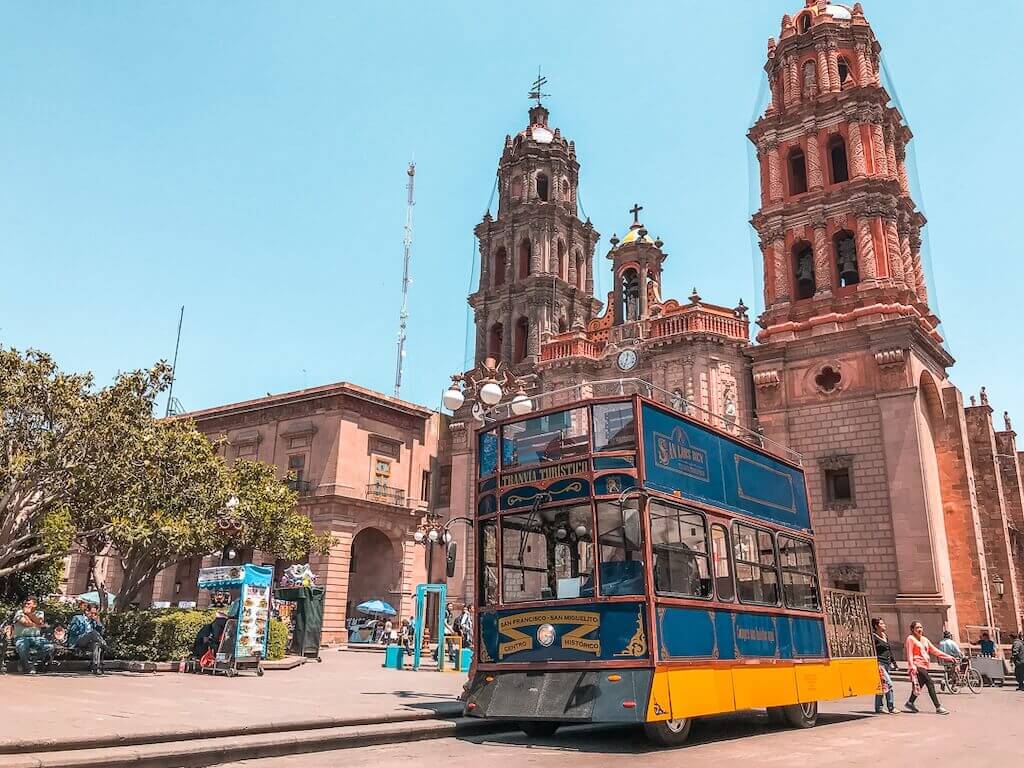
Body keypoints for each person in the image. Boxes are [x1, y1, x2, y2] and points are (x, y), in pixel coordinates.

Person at [904, 621, 954, 714]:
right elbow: (909, 653)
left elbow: (934, 650)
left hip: (924, 665)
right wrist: (911, 666)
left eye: (921, 627)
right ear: (912, 630)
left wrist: (948, 657)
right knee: (930, 682)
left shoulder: (925, 639)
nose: (919, 629)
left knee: (920, 685)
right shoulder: (910, 639)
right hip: (917, 665)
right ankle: (938, 707)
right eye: (917, 628)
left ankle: (910, 702)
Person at [12, 597, 53, 675]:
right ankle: (29, 666)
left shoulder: (40, 613)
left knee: (49, 647)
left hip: (36, 638)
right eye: (25, 604)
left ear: (35, 605)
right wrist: (37, 625)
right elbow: (25, 623)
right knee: (22, 646)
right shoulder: (19, 612)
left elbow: (40, 621)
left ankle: (29, 661)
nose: (26, 605)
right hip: (21, 637)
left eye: (29, 604)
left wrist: (28, 614)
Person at [67, 603, 109, 675]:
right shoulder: (77, 618)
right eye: (92, 613)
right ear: (87, 611)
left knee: (97, 644)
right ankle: (105, 646)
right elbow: (72, 631)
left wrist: (98, 621)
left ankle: (95, 666)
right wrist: (85, 634)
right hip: (77, 640)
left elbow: (101, 632)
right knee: (93, 633)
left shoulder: (93, 621)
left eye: (95, 613)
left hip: (89, 642)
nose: (93, 615)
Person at [871, 618, 897, 714]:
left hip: (887, 663)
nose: (884, 625)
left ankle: (879, 707)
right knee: (889, 684)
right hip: (879, 663)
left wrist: (894, 662)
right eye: (881, 623)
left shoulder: (885, 636)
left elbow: (888, 649)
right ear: (876, 626)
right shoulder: (873, 637)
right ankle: (891, 707)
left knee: (882, 685)